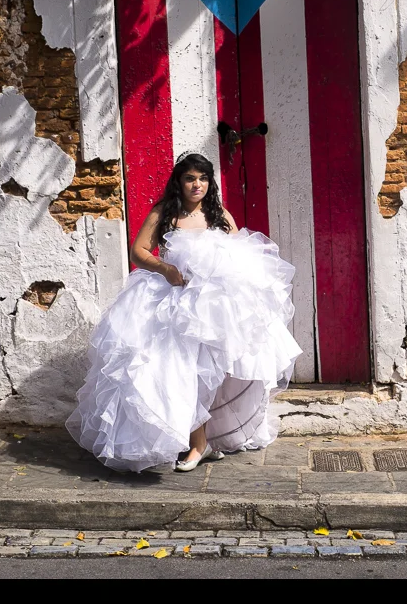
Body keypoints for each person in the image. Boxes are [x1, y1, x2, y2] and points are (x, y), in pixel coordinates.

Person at [66, 151, 302, 472]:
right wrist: (165, 269)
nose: (197, 185)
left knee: (214, 373)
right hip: (171, 302)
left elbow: (241, 255)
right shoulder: (165, 212)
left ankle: (207, 440)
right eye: (190, 178)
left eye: (203, 178)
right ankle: (196, 444)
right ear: (179, 181)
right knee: (183, 373)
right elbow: (138, 251)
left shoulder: (218, 214)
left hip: (214, 307)